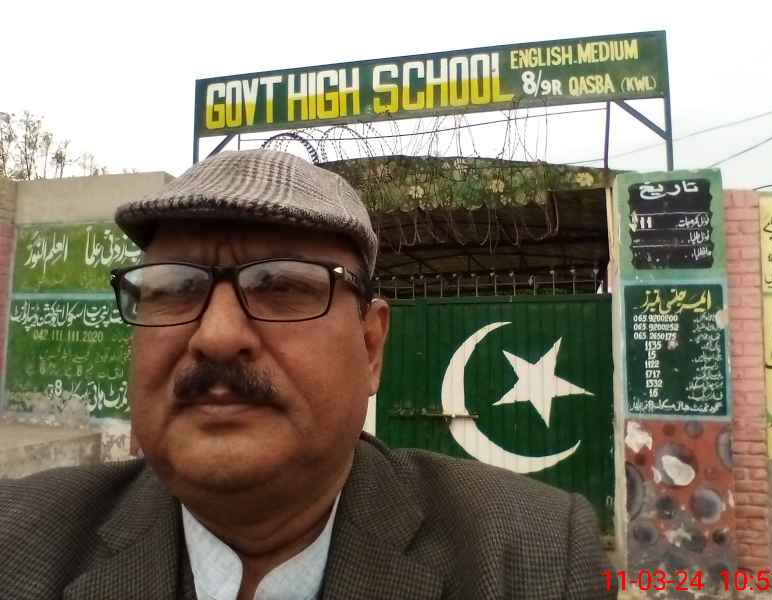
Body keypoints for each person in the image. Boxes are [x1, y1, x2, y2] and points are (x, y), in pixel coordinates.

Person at [0, 150, 616, 599]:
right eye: (175, 288)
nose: (216, 336)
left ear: (370, 347)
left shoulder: (531, 557)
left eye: (280, 285)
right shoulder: (18, 541)